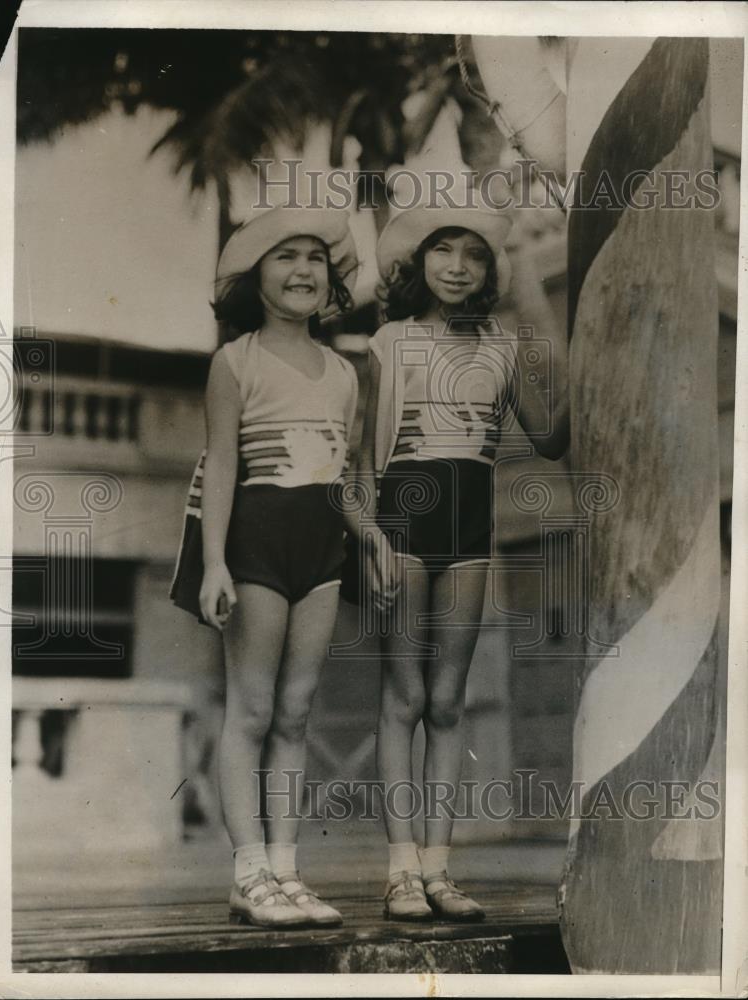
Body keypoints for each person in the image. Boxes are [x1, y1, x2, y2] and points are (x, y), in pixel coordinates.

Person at [352, 191, 569, 922]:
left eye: (475, 255)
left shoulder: (502, 350)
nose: (458, 265)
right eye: (444, 250)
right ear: (418, 262)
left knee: (447, 702)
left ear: (489, 274)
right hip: (403, 523)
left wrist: (581, 356)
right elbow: (358, 464)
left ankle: (439, 870)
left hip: (469, 530)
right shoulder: (389, 342)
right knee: (403, 698)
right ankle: (399, 871)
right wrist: (373, 542)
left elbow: (551, 437)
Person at [170, 204, 358, 928]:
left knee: (297, 708)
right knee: (250, 707)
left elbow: (344, 478)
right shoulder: (235, 361)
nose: (304, 269)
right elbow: (221, 465)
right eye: (285, 257)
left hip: (320, 549)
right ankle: (247, 872)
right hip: (254, 543)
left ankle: (286, 869)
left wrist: (364, 538)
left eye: (315, 256)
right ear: (256, 277)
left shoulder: (343, 371)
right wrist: (215, 561)